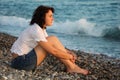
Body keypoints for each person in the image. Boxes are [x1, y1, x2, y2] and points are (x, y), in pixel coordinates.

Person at [10, 5, 88, 75]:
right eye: (50, 16)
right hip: (21, 62)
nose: (52, 19)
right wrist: (69, 56)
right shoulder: (35, 29)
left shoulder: (41, 30)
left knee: (52, 40)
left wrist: (68, 52)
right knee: (53, 39)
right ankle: (72, 67)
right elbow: (53, 51)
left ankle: (71, 67)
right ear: (42, 17)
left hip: (21, 62)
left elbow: (54, 46)